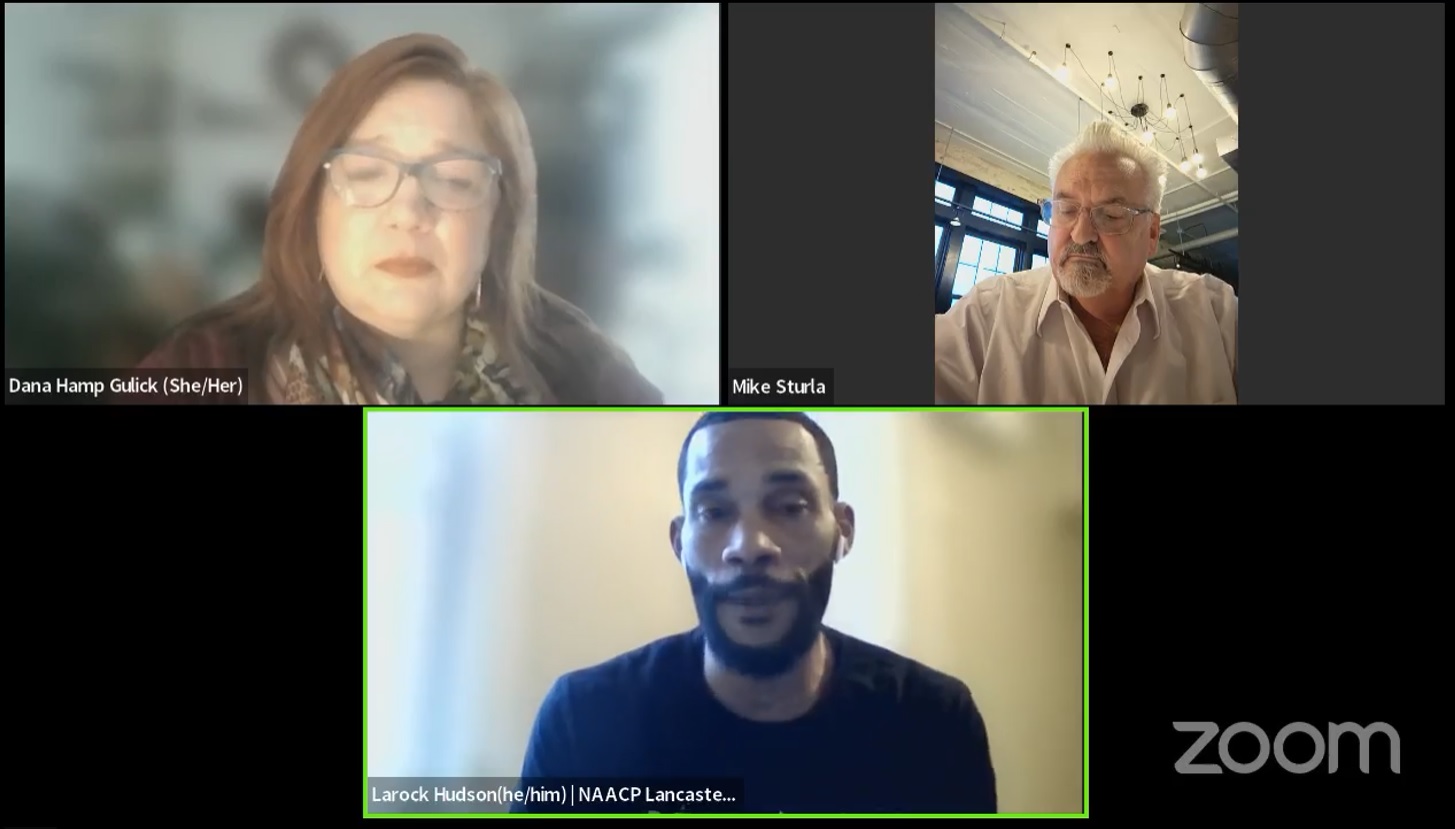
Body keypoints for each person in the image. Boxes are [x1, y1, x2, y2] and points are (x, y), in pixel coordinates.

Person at [513, 412, 998, 815]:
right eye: (714, 512)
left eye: (789, 507)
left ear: (842, 530)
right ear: (680, 542)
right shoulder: (584, 719)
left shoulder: (934, 725)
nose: (749, 547)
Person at [137, 34, 662, 405]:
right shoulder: (199, 367)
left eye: (454, 180)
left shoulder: (583, 374)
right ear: (312, 205)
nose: (409, 212)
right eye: (367, 173)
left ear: (498, 221)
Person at [935, 120, 1238, 405]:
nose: (1081, 234)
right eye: (1066, 210)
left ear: (1152, 233)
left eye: (1112, 215)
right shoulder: (987, 316)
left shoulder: (1216, 315)